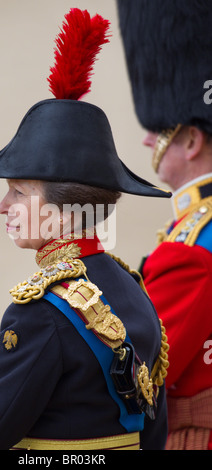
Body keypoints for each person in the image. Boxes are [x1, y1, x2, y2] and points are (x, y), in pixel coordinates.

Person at [0, 8, 170, 451]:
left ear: (66, 213)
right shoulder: (131, 287)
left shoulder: (41, 313)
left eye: (17, 192)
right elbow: (154, 432)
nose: (2, 206)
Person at [117, 0, 212, 450]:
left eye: (161, 128)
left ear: (192, 139)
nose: (147, 138)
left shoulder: (195, 242)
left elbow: (137, 377)